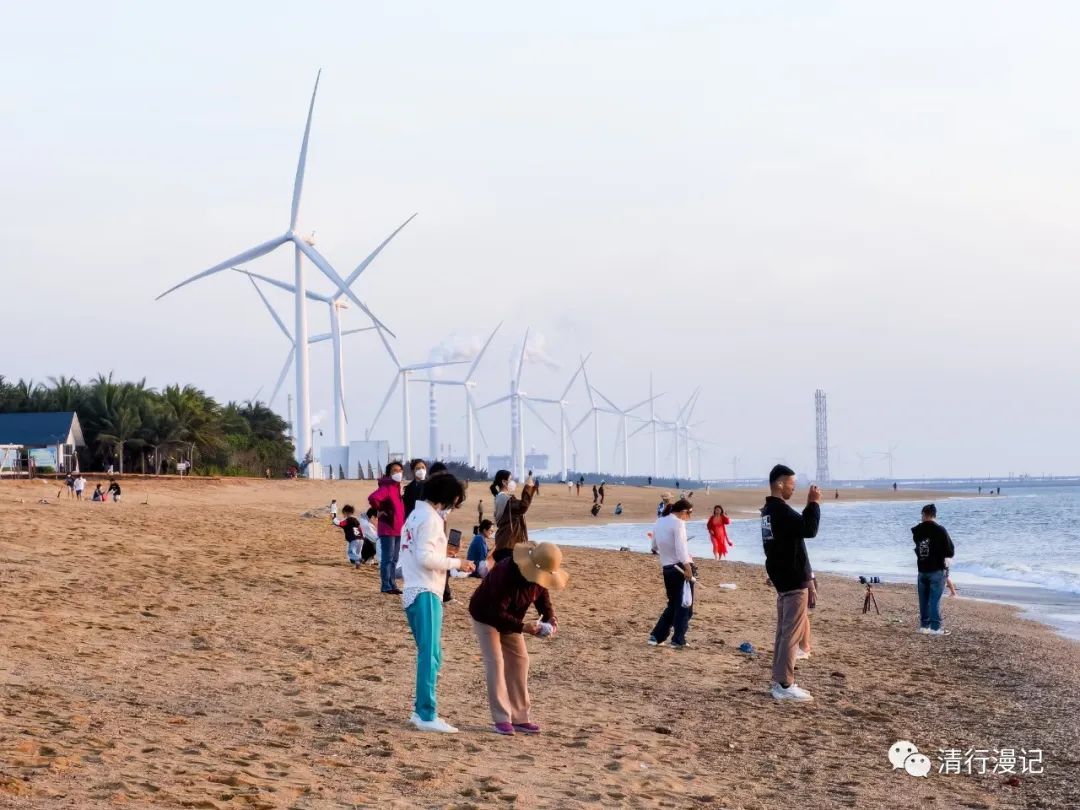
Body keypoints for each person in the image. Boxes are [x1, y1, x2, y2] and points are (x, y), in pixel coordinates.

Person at [399, 473, 475, 733]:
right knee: (429, 655)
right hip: (424, 591)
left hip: (416, 588)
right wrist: (456, 562)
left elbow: (416, 557)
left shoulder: (414, 516)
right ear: (450, 497)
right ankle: (425, 713)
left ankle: (423, 709)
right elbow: (425, 558)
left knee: (431, 654)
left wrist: (453, 566)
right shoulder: (430, 519)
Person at [469, 541, 566, 735]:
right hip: (486, 616)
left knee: (520, 661)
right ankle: (502, 718)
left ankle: (520, 718)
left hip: (511, 619)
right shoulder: (506, 573)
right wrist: (523, 627)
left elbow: (542, 595)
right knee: (495, 663)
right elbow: (495, 611)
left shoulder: (538, 578)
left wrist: (550, 618)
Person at [761, 464, 820, 702]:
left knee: (784, 632)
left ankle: (779, 680)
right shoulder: (778, 511)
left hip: (783, 578)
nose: (793, 489)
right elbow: (809, 529)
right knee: (790, 634)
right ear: (779, 483)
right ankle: (785, 683)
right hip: (792, 580)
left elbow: (790, 535)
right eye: (792, 485)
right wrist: (814, 503)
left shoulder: (769, 511)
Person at [648, 499, 696, 649]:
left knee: (673, 604)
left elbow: (654, 546)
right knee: (684, 606)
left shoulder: (659, 522)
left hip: (667, 568)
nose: (689, 517)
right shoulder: (678, 523)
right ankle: (678, 639)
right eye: (689, 513)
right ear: (683, 511)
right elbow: (681, 547)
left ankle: (656, 636)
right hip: (680, 567)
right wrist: (687, 566)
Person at [912, 504, 955, 636]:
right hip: (936, 569)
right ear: (934, 515)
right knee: (934, 600)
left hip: (922, 569)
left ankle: (924, 626)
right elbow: (950, 551)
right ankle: (935, 628)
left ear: (923, 514)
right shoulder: (940, 530)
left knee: (923, 600)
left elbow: (918, 547)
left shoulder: (917, 530)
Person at [368, 461, 406, 595]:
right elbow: (373, 498)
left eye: (400, 470)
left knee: (395, 558)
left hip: (398, 528)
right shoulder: (387, 487)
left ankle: (392, 583)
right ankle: (386, 585)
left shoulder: (398, 488)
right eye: (395, 470)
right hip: (388, 528)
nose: (398, 473)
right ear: (389, 473)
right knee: (387, 558)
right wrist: (381, 509)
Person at [491, 469, 536, 564]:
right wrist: (528, 487)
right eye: (510, 479)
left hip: (505, 542)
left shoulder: (502, 497)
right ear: (504, 482)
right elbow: (523, 506)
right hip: (508, 544)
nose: (513, 482)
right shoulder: (505, 499)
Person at [338, 504, 363, 568]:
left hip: (354, 539)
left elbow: (340, 524)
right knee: (357, 552)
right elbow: (360, 528)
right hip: (361, 539)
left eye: (343, 513)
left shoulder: (348, 520)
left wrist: (334, 520)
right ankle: (357, 564)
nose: (343, 515)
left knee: (351, 552)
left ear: (346, 512)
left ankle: (359, 559)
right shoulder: (356, 520)